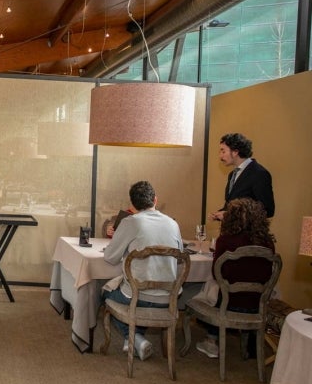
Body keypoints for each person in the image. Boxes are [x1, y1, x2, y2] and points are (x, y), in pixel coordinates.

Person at [101, 181, 183, 361]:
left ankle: (135, 339)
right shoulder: (173, 224)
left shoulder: (131, 222)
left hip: (137, 296)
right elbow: (180, 259)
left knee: (105, 296)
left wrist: (121, 244)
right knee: (134, 298)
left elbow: (110, 257)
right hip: (168, 297)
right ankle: (132, 339)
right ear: (155, 199)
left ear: (132, 205)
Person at [196, 197, 276, 359]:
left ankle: (212, 339)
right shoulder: (268, 243)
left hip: (229, 303)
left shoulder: (226, 241)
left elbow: (216, 273)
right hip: (256, 304)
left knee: (208, 291)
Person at [211, 133, 274, 221]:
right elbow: (232, 205)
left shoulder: (259, 173)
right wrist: (221, 213)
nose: (220, 156)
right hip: (232, 232)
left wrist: (229, 215)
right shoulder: (232, 174)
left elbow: (267, 210)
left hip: (250, 233)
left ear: (235, 152)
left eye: (223, 151)